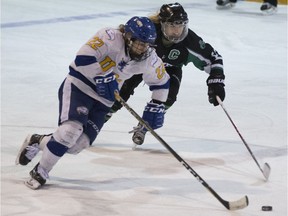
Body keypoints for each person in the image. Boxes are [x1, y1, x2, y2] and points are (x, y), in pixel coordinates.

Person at [15, 16, 170, 189]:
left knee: (77, 145)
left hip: (104, 99)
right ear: (127, 35)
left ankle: (37, 140)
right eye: (139, 43)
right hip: (79, 86)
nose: (142, 48)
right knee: (69, 132)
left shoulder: (149, 58)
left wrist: (157, 105)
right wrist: (102, 76)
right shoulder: (109, 37)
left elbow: (162, 82)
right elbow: (82, 58)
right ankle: (41, 171)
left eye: (146, 44)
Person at [105, 2, 226, 145]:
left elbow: (214, 58)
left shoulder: (189, 41)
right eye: (172, 26)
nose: (177, 31)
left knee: (169, 95)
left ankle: (145, 126)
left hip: (170, 68)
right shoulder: (149, 30)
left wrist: (216, 80)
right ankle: (100, 116)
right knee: (122, 90)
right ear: (162, 25)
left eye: (180, 26)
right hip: (141, 62)